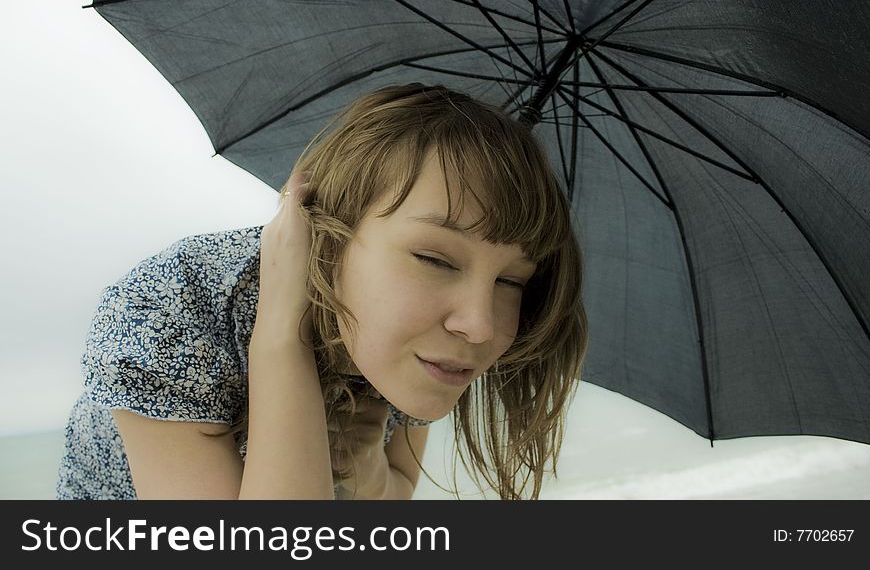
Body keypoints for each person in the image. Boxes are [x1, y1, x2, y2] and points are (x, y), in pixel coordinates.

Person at [56, 83, 588, 500]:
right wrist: (282, 334)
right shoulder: (179, 305)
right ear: (327, 232)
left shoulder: (420, 348)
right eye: (433, 258)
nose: (481, 324)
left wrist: (362, 467)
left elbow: (393, 490)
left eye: (511, 281)